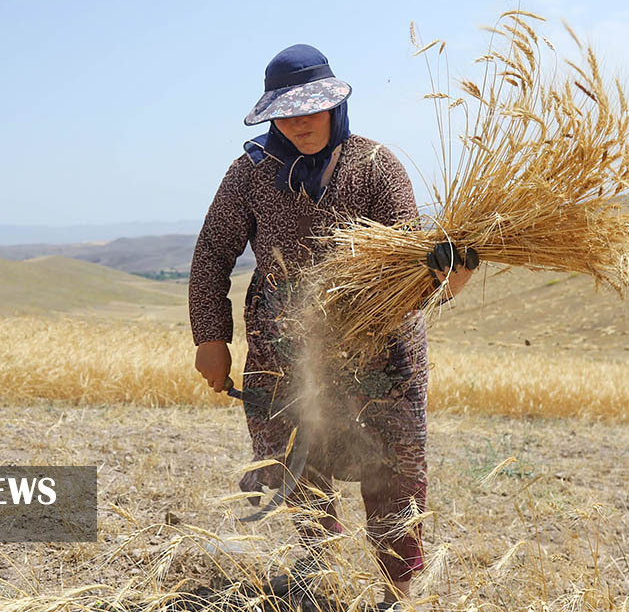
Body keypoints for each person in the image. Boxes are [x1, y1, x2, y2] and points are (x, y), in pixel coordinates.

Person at [188, 44, 474, 609]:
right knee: (299, 454)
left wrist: (449, 278)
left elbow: (407, 267)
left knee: (393, 464)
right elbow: (211, 256)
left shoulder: (375, 166)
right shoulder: (249, 174)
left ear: (335, 106)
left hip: (379, 349)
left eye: (311, 109)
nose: (299, 123)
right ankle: (322, 568)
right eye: (286, 112)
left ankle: (398, 590)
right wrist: (210, 338)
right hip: (285, 348)